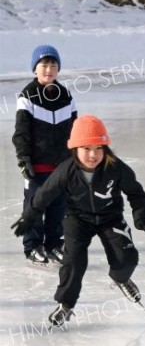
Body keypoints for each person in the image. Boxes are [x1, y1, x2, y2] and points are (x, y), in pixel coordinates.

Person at [11, 115, 145, 327]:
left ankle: (121, 278)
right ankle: (66, 305)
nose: (93, 154)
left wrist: (141, 216)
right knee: (73, 262)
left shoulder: (115, 167)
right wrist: (29, 217)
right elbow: (44, 194)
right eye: (86, 148)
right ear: (75, 149)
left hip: (110, 217)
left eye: (99, 148)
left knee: (127, 257)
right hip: (77, 218)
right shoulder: (66, 170)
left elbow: (135, 191)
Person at [12, 44, 77, 266]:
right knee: (34, 207)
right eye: (43, 65)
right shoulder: (27, 96)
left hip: (61, 166)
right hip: (36, 166)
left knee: (58, 208)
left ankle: (53, 244)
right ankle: (32, 246)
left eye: (53, 65)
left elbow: (75, 131)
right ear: (35, 69)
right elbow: (21, 133)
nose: (48, 69)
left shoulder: (66, 96)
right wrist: (24, 160)